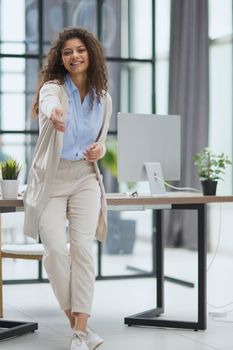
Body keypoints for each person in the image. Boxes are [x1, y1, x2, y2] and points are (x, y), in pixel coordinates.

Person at [23, 27, 112, 350]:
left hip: (86, 177)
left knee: (83, 250)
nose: (74, 56)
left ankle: (79, 331)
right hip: (52, 178)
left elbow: (100, 141)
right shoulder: (53, 89)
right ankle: (79, 327)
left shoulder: (103, 97)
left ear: (90, 53)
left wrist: (99, 150)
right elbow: (48, 103)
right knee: (57, 252)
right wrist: (54, 113)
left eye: (80, 50)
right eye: (67, 52)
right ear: (60, 58)